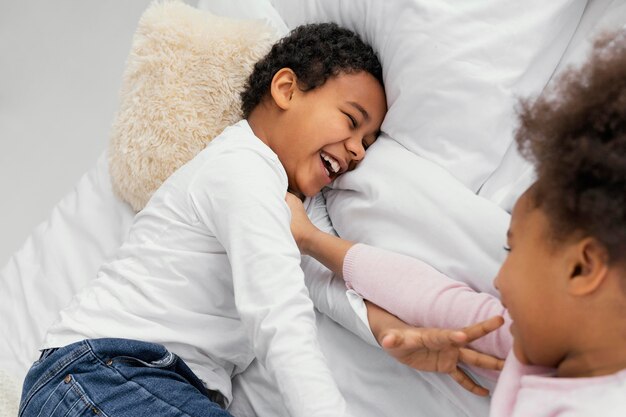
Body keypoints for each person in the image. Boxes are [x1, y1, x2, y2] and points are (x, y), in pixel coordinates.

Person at [18, 23, 389, 417]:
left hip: (126, 385)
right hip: (103, 375)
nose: (358, 152)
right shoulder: (241, 168)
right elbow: (278, 314)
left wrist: (398, 332)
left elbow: (332, 287)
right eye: (351, 121)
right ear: (286, 90)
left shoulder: (296, 205)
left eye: (367, 142)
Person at [287, 29, 626, 416]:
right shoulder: (535, 340)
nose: (497, 280)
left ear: (582, 268)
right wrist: (309, 238)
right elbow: (430, 296)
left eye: (511, 251)